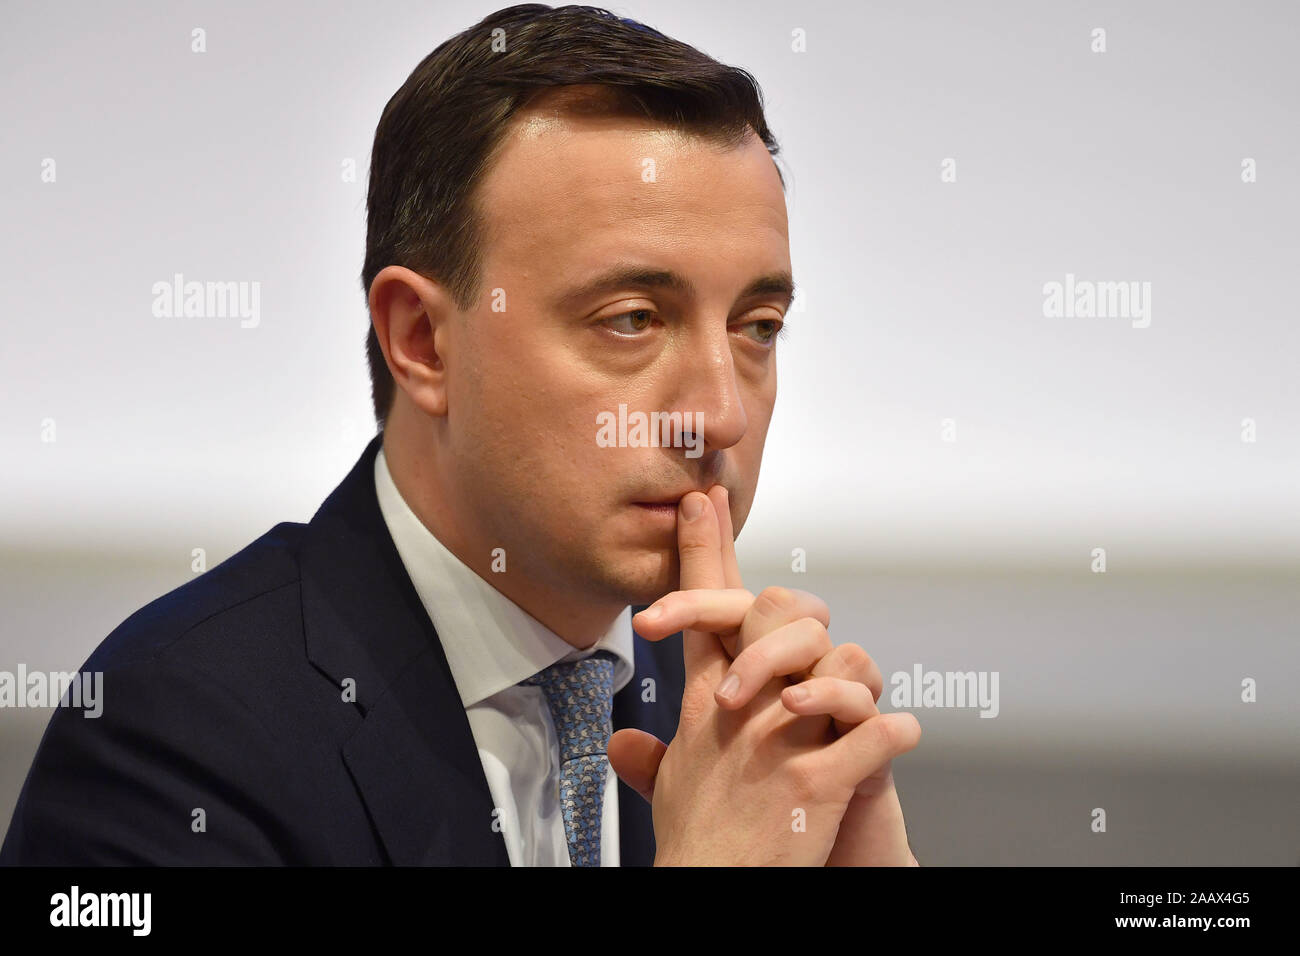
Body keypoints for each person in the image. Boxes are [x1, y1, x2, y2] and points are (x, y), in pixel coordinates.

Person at [0, 3, 920, 866]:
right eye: (633, 318)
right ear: (423, 342)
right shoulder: (174, 734)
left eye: (758, 326)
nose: (719, 416)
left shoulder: (739, 718)